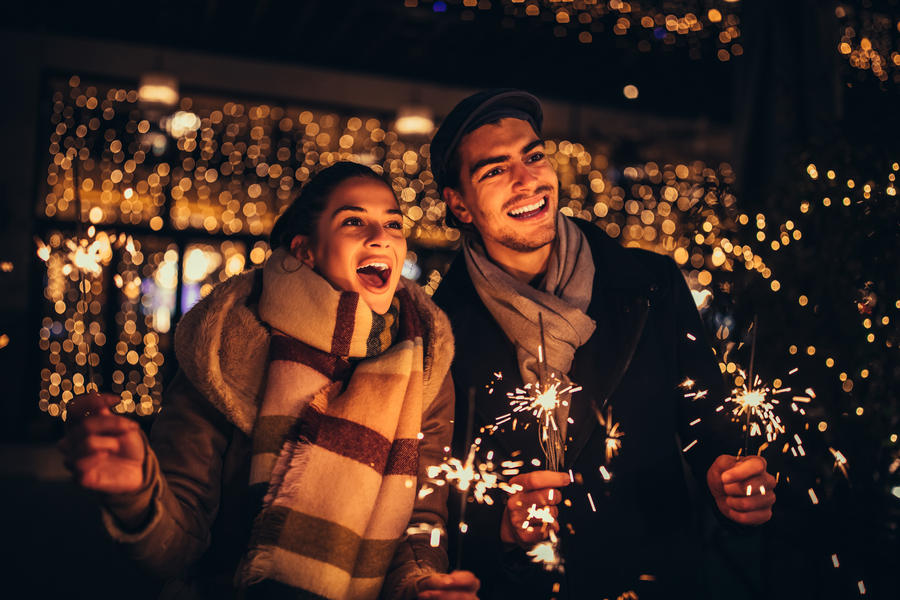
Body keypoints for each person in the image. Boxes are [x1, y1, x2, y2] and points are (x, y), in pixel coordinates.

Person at [60, 162, 480, 600]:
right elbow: (179, 544)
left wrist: (424, 588)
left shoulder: (425, 364)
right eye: (353, 221)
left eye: (393, 223)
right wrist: (136, 495)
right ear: (304, 250)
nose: (381, 237)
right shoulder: (226, 351)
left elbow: (420, 528)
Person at [428, 90, 777, 599]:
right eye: (494, 170)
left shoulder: (652, 284)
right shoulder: (437, 333)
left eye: (533, 155)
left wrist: (729, 481)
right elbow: (429, 500)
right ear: (458, 204)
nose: (527, 180)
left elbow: (712, 430)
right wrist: (498, 530)